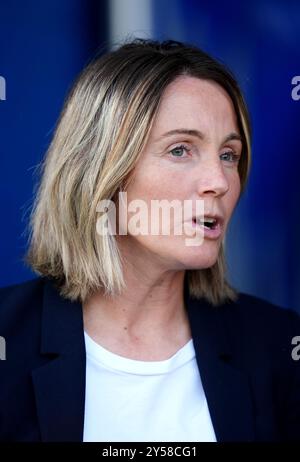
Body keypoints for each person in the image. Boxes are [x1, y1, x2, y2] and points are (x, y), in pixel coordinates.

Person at [0, 39, 299, 442]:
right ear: (102, 169)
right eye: (180, 150)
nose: (219, 181)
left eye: (229, 155)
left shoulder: (280, 348)